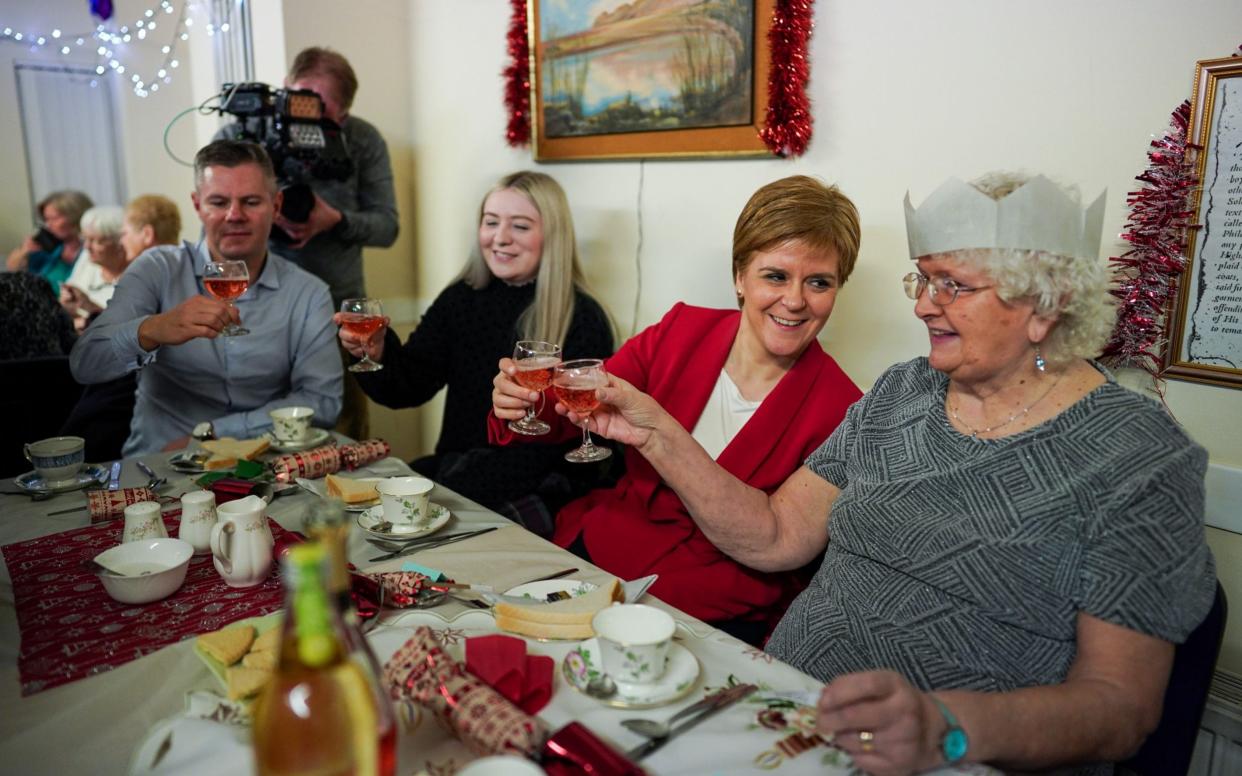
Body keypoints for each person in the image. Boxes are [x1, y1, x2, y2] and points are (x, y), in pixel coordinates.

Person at [567, 173, 1215, 775]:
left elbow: (1120, 708)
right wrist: (655, 432)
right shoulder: (902, 393)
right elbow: (773, 535)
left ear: (1046, 306)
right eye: (922, 281)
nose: (924, 307)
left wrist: (946, 726)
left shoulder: (1139, 457)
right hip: (783, 715)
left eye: (952, 286)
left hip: (948, 754)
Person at [490, 175, 864, 644]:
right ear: (739, 277)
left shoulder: (847, 410)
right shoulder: (681, 330)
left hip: (713, 606)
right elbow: (585, 403)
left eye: (819, 282)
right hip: (602, 555)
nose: (795, 300)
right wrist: (525, 402)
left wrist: (659, 432)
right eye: (775, 275)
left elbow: (777, 543)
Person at [340, 170, 613, 524]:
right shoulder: (460, 298)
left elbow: (568, 442)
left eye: (520, 226)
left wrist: (451, 490)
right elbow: (408, 386)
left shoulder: (583, 316)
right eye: (491, 222)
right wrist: (376, 353)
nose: (500, 238)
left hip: (544, 482)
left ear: (553, 236)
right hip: (462, 466)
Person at [70, 140, 343, 456]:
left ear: (277, 206)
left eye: (251, 201)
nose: (234, 215)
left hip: (266, 464)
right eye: (218, 202)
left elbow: (323, 402)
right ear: (198, 205)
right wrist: (151, 329)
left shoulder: (308, 293)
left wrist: (215, 434)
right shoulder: (158, 269)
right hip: (161, 465)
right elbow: (85, 363)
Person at [218, 46, 398, 440]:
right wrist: (262, 214)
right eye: (303, 103)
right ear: (286, 90)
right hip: (257, 311)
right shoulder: (244, 133)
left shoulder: (361, 139)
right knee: (252, 434)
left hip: (340, 315)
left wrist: (335, 220)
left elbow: (388, 227)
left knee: (341, 433)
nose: (310, 119)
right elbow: (214, 226)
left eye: (323, 111)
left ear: (344, 114)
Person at [59, 196, 183, 461]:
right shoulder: (174, 271)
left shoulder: (154, 276)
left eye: (124, 233)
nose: (121, 241)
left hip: (141, 412)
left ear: (147, 234)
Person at [6, 190, 93, 294]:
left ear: (75, 216)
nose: (48, 225)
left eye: (54, 219)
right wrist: (24, 251)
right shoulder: (51, 248)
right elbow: (13, 268)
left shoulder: (94, 247)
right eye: (46, 219)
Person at [59, 206, 128, 331]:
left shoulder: (135, 274)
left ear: (120, 243)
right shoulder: (87, 259)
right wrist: (67, 303)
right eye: (85, 239)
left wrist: (90, 308)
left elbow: (129, 325)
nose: (87, 246)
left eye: (97, 241)